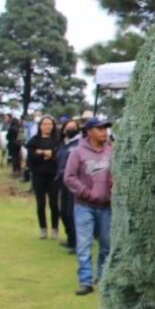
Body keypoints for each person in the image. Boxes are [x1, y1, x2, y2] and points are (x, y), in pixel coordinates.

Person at [63, 117, 114, 296]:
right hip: (84, 206)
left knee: (106, 244)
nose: (104, 132)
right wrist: (86, 192)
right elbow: (69, 177)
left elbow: (116, 174)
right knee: (84, 244)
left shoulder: (111, 151)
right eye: (100, 129)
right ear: (90, 131)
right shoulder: (78, 152)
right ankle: (85, 281)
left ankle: (102, 277)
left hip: (106, 206)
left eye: (106, 129)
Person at [26, 115, 61, 239]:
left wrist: (43, 153)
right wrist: (45, 154)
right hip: (38, 175)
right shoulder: (33, 141)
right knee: (40, 203)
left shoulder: (57, 140)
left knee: (54, 203)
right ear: (40, 126)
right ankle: (43, 228)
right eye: (45, 124)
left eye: (50, 124)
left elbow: (58, 155)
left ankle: (55, 228)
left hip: (53, 175)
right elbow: (31, 158)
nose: (47, 126)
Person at [54, 118, 81, 253]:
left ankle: (77, 243)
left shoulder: (79, 143)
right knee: (64, 212)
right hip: (62, 182)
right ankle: (70, 239)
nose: (70, 129)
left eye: (73, 126)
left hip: (74, 182)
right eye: (67, 127)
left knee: (72, 212)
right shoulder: (63, 144)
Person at [5, 113, 22, 178]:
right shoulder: (19, 128)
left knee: (14, 157)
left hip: (12, 143)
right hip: (18, 144)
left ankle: (15, 170)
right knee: (18, 157)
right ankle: (19, 169)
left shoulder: (11, 128)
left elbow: (8, 137)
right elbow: (21, 137)